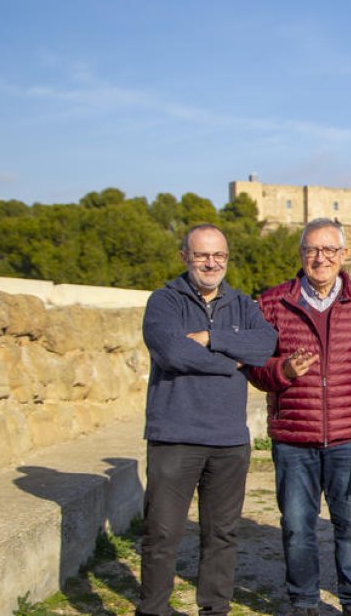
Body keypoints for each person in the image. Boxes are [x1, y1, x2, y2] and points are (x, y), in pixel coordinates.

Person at [248, 218, 351, 616]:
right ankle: (304, 601)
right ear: (301, 255)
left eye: (329, 250)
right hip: (294, 438)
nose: (320, 257)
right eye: (312, 250)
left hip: (348, 437)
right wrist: (282, 372)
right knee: (296, 528)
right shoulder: (274, 303)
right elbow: (255, 368)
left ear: (344, 255)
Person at [138, 224, 277, 616]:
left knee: (221, 534)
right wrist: (232, 360)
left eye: (219, 256)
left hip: (229, 440)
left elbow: (265, 345)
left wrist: (211, 338)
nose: (211, 263)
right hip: (175, 436)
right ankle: (153, 610)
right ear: (185, 257)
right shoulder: (164, 302)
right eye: (202, 255)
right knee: (162, 533)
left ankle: (215, 609)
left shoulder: (244, 305)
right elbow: (171, 353)